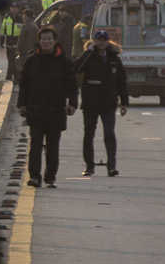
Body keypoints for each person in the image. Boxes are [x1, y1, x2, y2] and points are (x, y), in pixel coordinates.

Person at [18, 25, 76, 188]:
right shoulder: (31, 61)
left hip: (56, 110)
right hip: (35, 109)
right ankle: (35, 176)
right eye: (43, 39)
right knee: (35, 146)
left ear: (55, 40)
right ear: (39, 41)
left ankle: (50, 177)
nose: (46, 42)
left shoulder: (64, 62)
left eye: (49, 39)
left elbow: (72, 84)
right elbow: (24, 84)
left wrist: (72, 103)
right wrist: (21, 104)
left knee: (52, 147)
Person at [75, 28, 129, 177]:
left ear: (108, 42)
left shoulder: (114, 59)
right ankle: (89, 166)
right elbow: (77, 68)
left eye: (104, 40)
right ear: (95, 41)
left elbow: (121, 82)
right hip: (90, 103)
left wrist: (124, 103)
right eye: (99, 40)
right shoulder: (89, 57)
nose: (101, 43)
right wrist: (88, 52)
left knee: (109, 134)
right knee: (88, 135)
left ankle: (111, 166)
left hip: (108, 102)